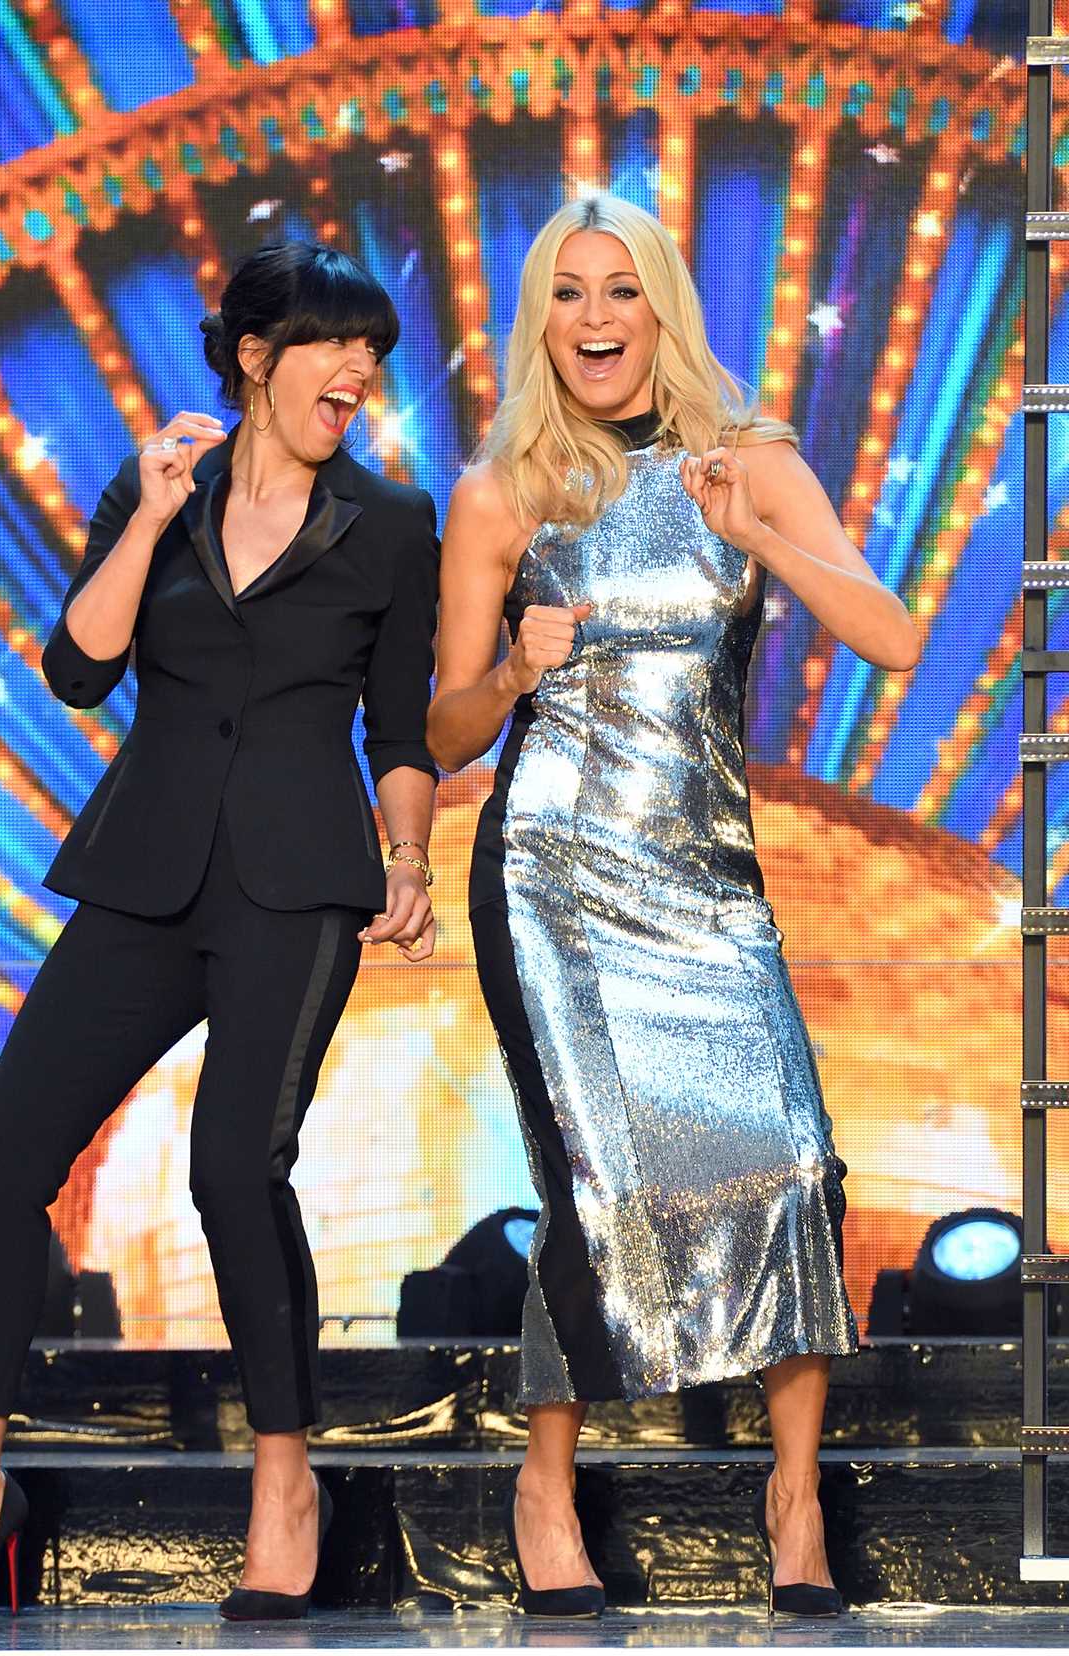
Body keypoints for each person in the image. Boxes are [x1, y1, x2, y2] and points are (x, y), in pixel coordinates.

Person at [0, 241, 440, 1624]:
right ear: (256, 358)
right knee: (3, 1157)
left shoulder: (391, 521)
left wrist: (411, 855)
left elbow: (396, 723)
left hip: (296, 882)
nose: (360, 372)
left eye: (371, 350)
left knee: (230, 1167)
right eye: (333, 343)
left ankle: (285, 1486)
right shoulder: (162, 495)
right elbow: (80, 671)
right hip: (145, 874)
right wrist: (144, 521)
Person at [428, 195, 920, 1619]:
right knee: (598, 1189)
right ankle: (545, 1485)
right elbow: (443, 727)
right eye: (569, 294)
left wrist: (759, 534)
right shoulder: (504, 491)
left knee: (795, 1165)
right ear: (544, 322)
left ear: (661, 312)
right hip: (557, 877)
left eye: (621, 292)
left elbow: (889, 635)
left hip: (708, 879)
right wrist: (516, 671)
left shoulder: (747, 458)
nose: (595, 318)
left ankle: (792, 1496)